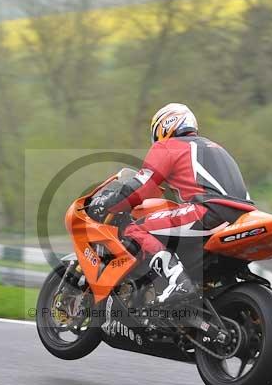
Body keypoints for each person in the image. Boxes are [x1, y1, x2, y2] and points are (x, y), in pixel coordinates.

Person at [89, 103, 255, 305]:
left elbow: (143, 184)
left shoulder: (168, 146)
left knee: (136, 229)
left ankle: (178, 281)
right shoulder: (216, 147)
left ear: (164, 126)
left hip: (209, 211)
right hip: (244, 216)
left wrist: (112, 202)